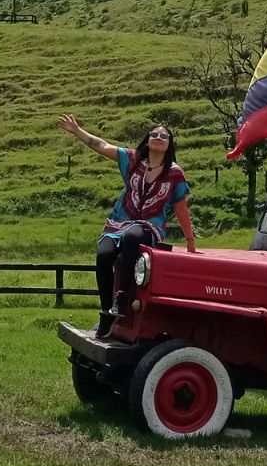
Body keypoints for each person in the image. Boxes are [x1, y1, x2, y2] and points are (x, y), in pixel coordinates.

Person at [58, 114, 197, 336]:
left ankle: (121, 297)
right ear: (147, 139)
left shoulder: (175, 173)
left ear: (170, 143)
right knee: (104, 254)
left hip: (149, 226)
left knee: (132, 237)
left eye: (164, 136)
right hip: (119, 222)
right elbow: (101, 145)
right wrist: (77, 131)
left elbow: (181, 208)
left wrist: (190, 239)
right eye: (154, 134)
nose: (158, 137)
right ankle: (106, 311)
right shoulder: (132, 160)